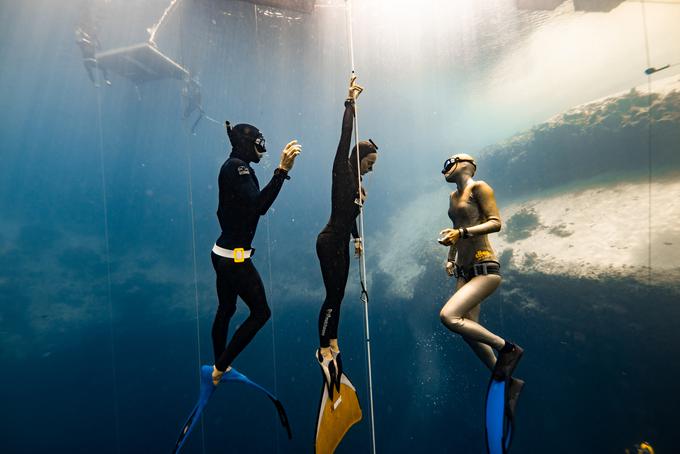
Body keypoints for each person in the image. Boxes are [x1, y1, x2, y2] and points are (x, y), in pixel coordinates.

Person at [210, 121, 301, 386]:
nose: (263, 149)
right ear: (246, 144)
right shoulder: (237, 168)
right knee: (261, 313)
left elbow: (233, 210)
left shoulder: (235, 167)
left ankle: (219, 367)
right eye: (260, 143)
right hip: (234, 259)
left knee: (226, 308)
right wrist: (282, 171)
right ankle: (220, 368)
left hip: (222, 253)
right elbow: (259, 206)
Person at [316, 75, 378, 391]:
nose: (372, 167)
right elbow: (345, 135)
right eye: (370, 162)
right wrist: (350, 101)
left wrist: (356, 238)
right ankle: (323, 350)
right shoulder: (342, 169)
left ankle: (334, 343)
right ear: (359, 157)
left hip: (341, 242)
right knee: (332, 295)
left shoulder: (357, 185)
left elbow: (347, 213)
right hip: (328, 242)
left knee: (339, 295)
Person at [437, 154, 522, 380]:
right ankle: (504, 378)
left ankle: (507, 348)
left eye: (449, 163)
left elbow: (496, 222)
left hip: (484, 266)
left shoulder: (480, 187)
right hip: (463, 271)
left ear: (466, 165)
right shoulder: (452, 196)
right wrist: (451, 257)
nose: (445, 168)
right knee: (469, 332)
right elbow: (457, 228)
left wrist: (462, 233)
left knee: (449, 316)